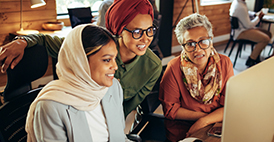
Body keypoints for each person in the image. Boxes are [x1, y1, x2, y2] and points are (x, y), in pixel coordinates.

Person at [25, 24, 180, 142]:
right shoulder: (51, 106)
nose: (115, 66)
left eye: (115, 59)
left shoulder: (111, 88)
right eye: (107, 60)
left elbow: (117, 140)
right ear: (80, 61)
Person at [0, 0, 160, 117]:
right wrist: (22, 41)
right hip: (72, 115)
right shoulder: (92, 45)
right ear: (119, 30)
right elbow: (45, 40)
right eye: (137, 32)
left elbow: (124, 110)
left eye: (150, 30)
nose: (146, 39)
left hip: (105, 123)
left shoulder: (153, 67)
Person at [159, 13, 234, 142]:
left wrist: (204, 121)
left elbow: (229, 106)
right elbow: (171, 110)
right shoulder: (174, 67)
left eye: (203, 41)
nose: (197, 49)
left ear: (211, 40)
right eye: (190, 44)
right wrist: (206, 118)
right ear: (183, 46)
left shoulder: (225, 63)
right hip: (181, 132)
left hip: (215, 127)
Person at [229, 0, 272, 67]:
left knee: (268, 33)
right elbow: (248, 25)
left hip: (240, 29)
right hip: (241, 32)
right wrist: (258, 18)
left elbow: (245, 13)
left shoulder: (238, 2)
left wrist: (254, 14)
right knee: (266, 38)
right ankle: (251, 59)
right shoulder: (241, 7)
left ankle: (256, 54)